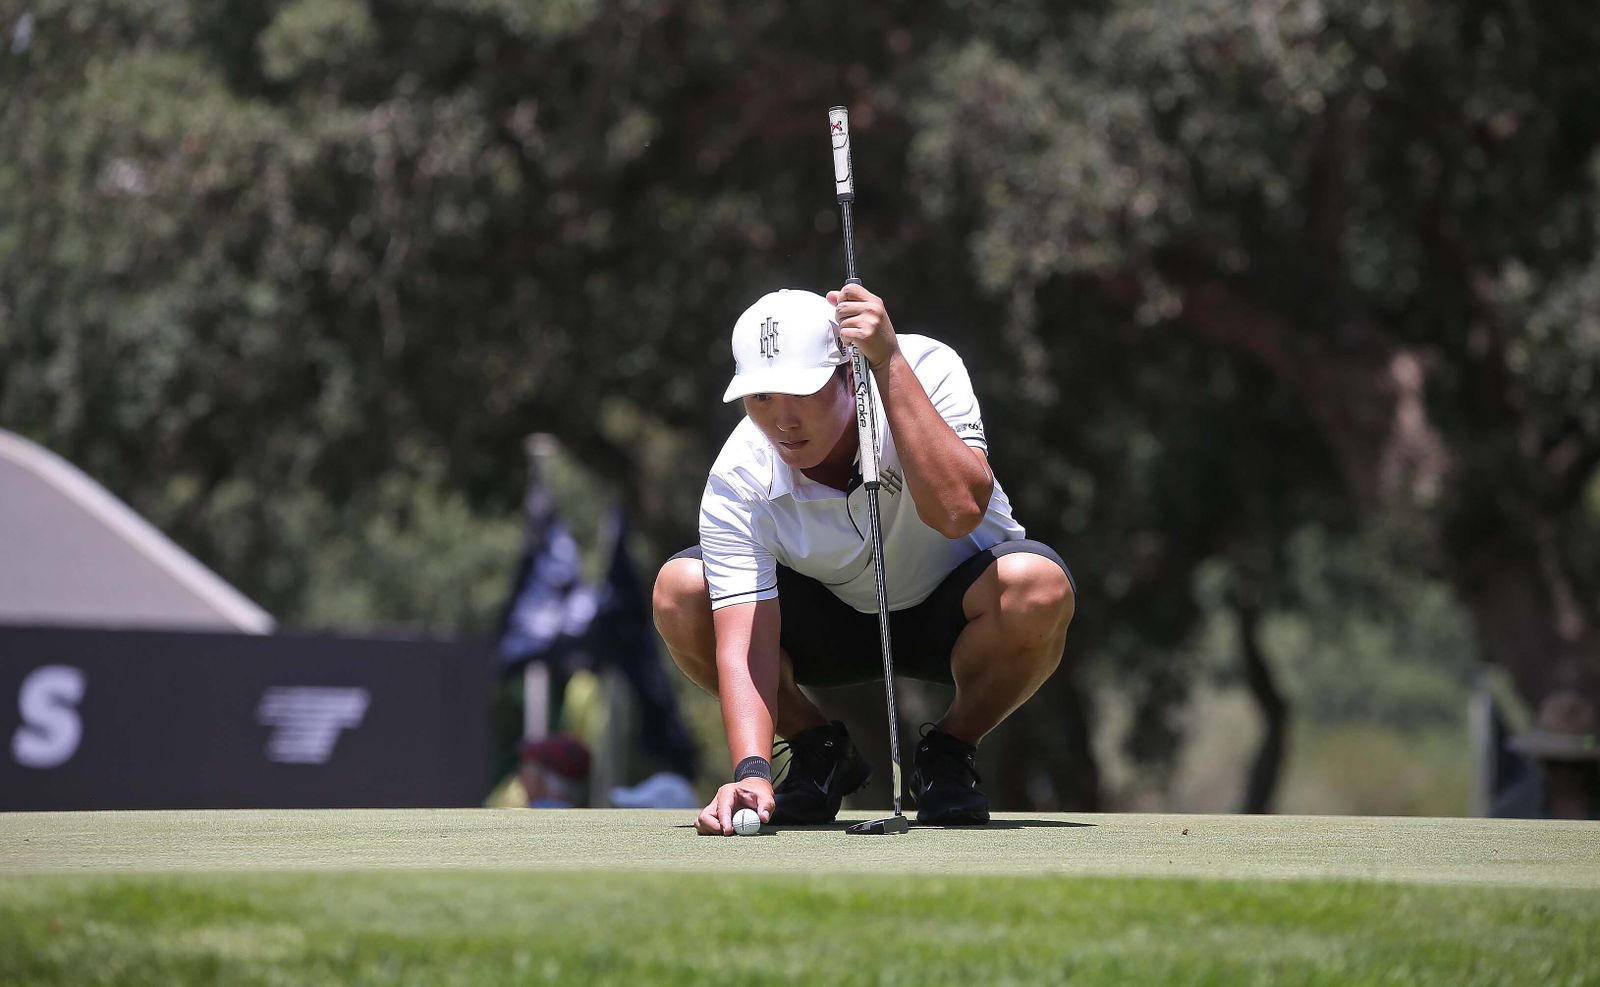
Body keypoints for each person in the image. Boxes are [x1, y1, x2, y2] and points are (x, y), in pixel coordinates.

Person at [653, 284, 1076, 836]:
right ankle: (817, 750)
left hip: (955, 613)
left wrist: (889, 360)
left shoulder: (923, 364)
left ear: (850, 376)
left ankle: (949, 752)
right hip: (831, 624)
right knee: (681, 589)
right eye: (761, 399)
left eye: (802, 393)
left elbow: (957, 512)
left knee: (1036, 586)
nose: (783, 421)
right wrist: (751, 770)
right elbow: (743, 644)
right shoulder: (738, 479)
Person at [1494, 690, 1600, 820]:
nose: (1565, 774)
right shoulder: (1511, 811)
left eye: (1576, 765)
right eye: (1554, 764)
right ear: (1540, 760)